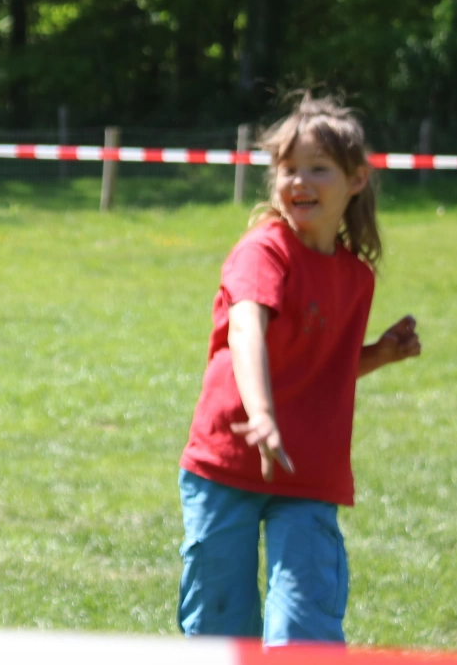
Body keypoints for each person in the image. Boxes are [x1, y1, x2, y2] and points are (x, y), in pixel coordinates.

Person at [177, 93, 421, 644]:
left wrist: (380, 352)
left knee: (304, 628)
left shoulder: (356, 279)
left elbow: (321, 367)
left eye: (318, 169)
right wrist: (261, 416)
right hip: (228, 461)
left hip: (308, 471)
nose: (298, 181)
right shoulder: (263, 252)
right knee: (220, 625)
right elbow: (246, 331)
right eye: (287, 169)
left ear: (356, 180)